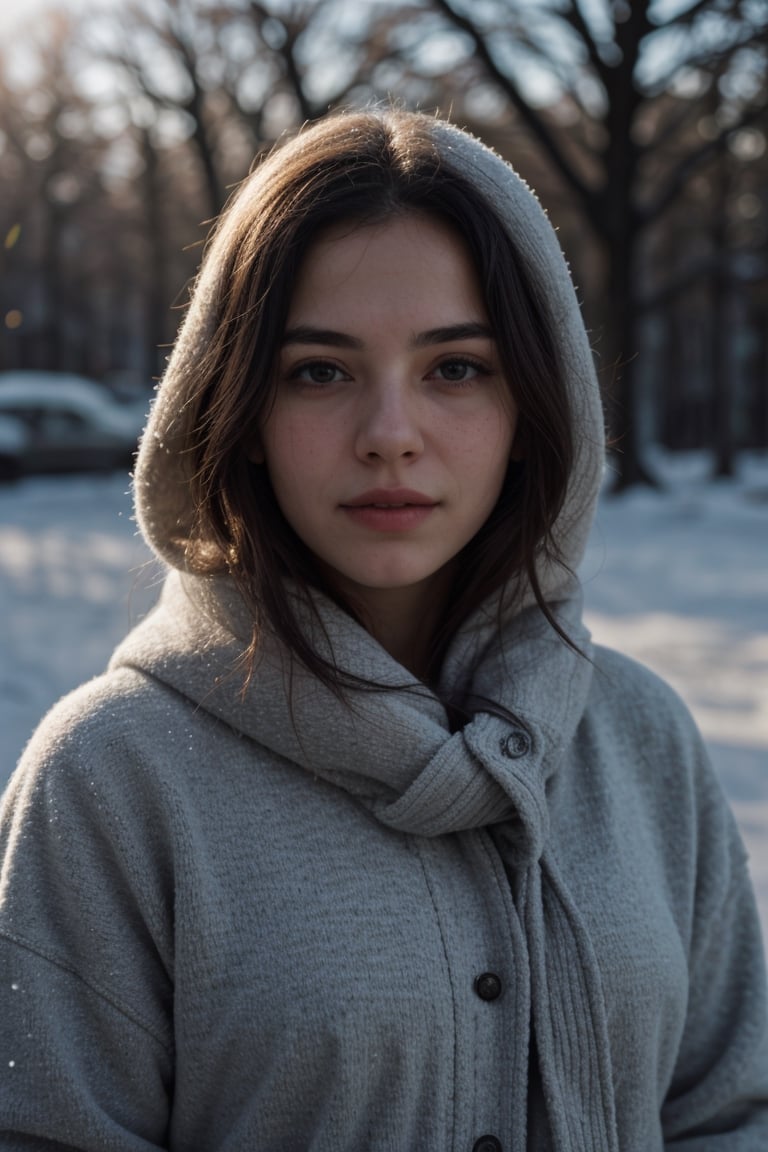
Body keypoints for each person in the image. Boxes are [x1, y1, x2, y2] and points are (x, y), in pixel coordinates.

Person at [0, 107, 766, 1152]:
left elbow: (731, 1111)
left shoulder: (641, 736)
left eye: (456, 368)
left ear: (533, 409)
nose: (390, 436)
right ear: (241, 412)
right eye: (319, 370)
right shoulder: (111, 778)